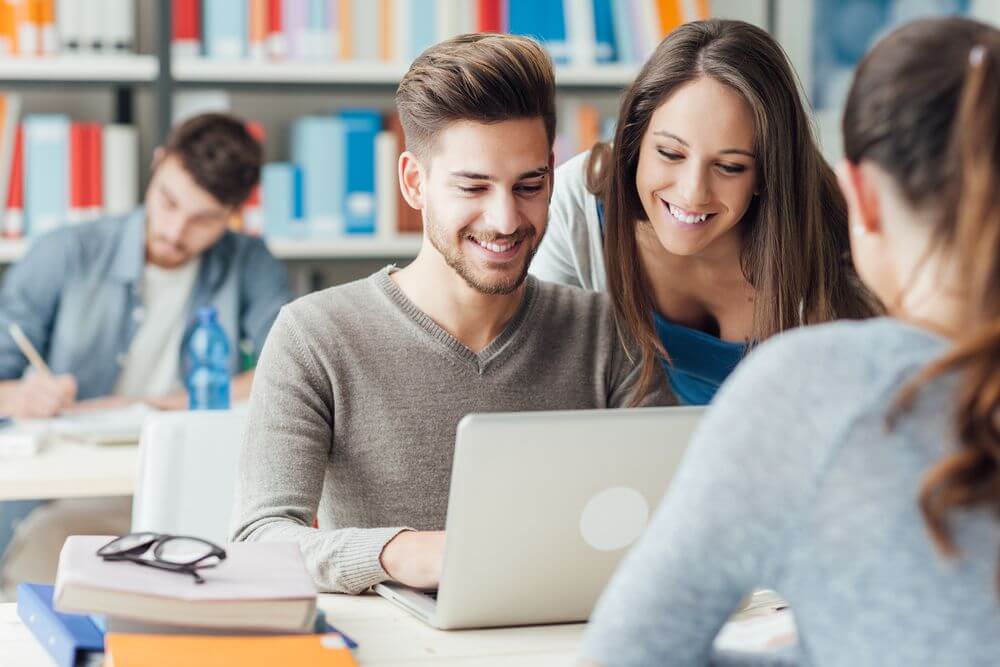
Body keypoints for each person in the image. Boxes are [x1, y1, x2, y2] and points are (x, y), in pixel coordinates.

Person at [580, 16, 1000, 665]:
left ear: (856, 191)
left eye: (730, 165)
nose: (694, 188)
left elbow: (627, 654)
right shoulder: (587, 227)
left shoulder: (815, 382)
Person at [231, 33, 672, 595]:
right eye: (474, 186)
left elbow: (668, 523)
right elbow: (257, 539)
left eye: (529, 185)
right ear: (415, 182)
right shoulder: (315, 335)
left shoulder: (608, 333)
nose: (506, 219)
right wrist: (399, 552)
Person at [0, 112, 291, 597]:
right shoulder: (65, 252)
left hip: (191, 486)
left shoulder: (251, 262)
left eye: (204, 219)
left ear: (234, 214)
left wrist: (157, 406)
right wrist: (21, 398)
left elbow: (286, 374)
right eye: (169, 201)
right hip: (64, 493)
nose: (176, 231)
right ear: (156, 166)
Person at [532, 19, 879, 406]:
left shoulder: (835, 237)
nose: (693, 193)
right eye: (670, 153)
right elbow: (547, 397)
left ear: (766, 173)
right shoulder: (570, 210)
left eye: (730, 167)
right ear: (634, 137)